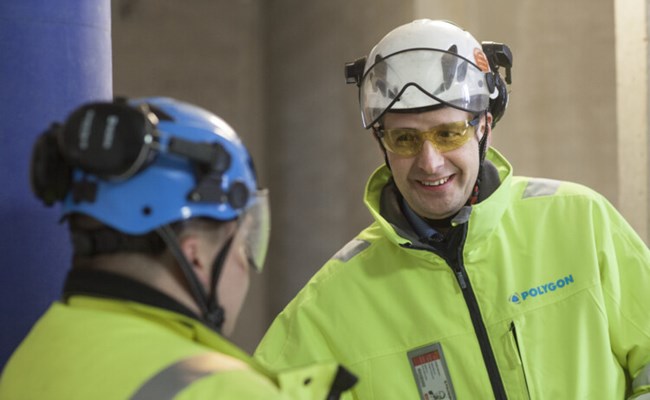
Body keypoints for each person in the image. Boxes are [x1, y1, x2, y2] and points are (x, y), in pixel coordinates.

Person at [255, 19, 650, 399]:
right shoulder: (331, 305)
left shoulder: (580, 223)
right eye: (405, 139)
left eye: (448, 134)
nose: (430, 162)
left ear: (484, 127)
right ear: (381, 142)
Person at [0, 97, 355, 399]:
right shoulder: (221, 390)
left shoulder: (31, 357)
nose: (245, 265)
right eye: (242, 242)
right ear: (195, 255)